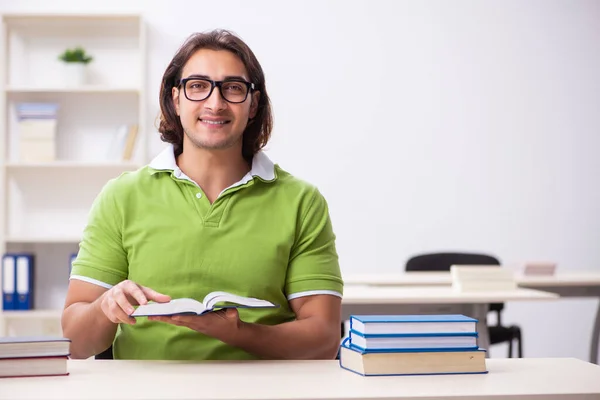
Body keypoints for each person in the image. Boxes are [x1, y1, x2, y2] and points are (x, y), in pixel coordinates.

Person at [61, 29, 343, 360]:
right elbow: (77, 344)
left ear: (253, 104)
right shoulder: (122, 196)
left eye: (233, 88)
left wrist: (240, 334)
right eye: (198, 86)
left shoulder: (301, 202)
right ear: (175, 99)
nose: (215, 103)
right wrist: (104, 309)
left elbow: (324, 338)